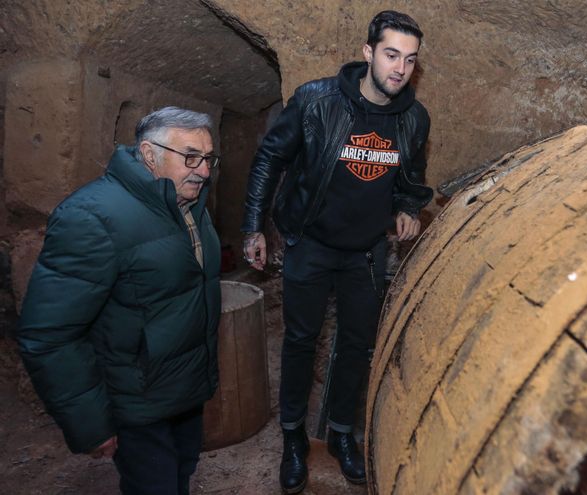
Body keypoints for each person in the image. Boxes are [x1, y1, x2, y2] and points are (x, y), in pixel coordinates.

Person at [240, 10, 433, 493]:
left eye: (410, 60)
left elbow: (410, 180)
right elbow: (269, 158)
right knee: (301, 342)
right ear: (368, 53)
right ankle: (292, 439)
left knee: (355, 347)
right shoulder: (316, 100)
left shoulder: (413, 118)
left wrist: (408, 205)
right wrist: (252, 228)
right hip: (310, 244)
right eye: (391, 55)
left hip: (366, 254)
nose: (400, 68)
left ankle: (342, 434)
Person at [16, 107, 222, 495]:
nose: (204, 170)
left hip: (184, 391)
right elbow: (48, 334)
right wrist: (90, 423)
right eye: (190, 157)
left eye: (208, 158)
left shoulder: (189, 203)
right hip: (137, 401)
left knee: (181, 474)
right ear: (149, 154)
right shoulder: (91, 217)